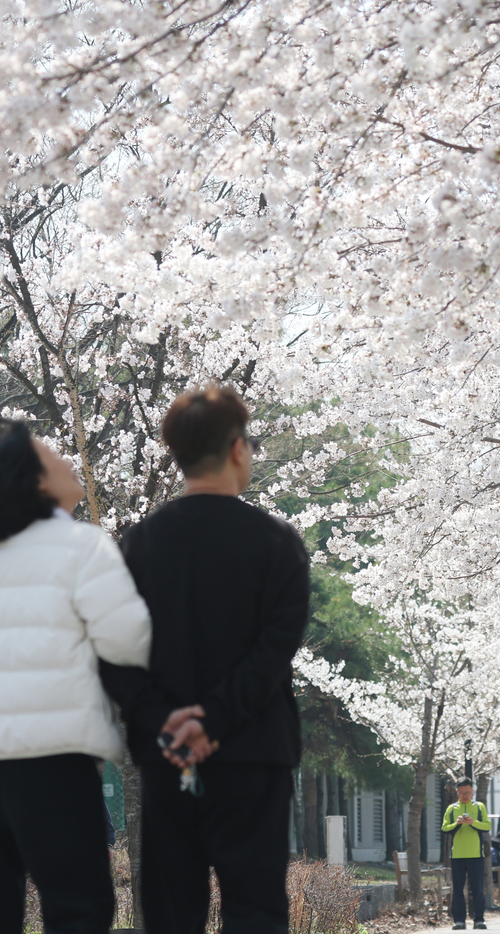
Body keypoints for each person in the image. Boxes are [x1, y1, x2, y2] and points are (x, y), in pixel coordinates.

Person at [100, 386, 311, 933]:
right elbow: (274, 651)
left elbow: (113, 653)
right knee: (257, 910)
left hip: (166, 756)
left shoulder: (138, 545)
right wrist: (214, 719)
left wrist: (163, 718)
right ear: (238, 448)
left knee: (171, 914)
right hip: (254, 752)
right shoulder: (277, 543)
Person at [0, 422, 153, 933]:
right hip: (52, 762)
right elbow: (130, 641)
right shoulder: (80, 543)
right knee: (79, 909)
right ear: (37, 482)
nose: (67, 459)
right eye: (53, 456)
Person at [443, 777, 492, 930]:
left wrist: (473, 823)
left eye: (468, 793)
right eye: (462, 793)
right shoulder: (451, 809)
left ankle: (479, 919)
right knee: (457, 889)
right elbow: (445, 828)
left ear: (472, 791)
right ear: (457, 792)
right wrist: (456, 824)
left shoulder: (479, 807)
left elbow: (487, 826)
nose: (465, 796)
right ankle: (459, 921)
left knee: (477, 889)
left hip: (476, 855)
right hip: (457, 856)